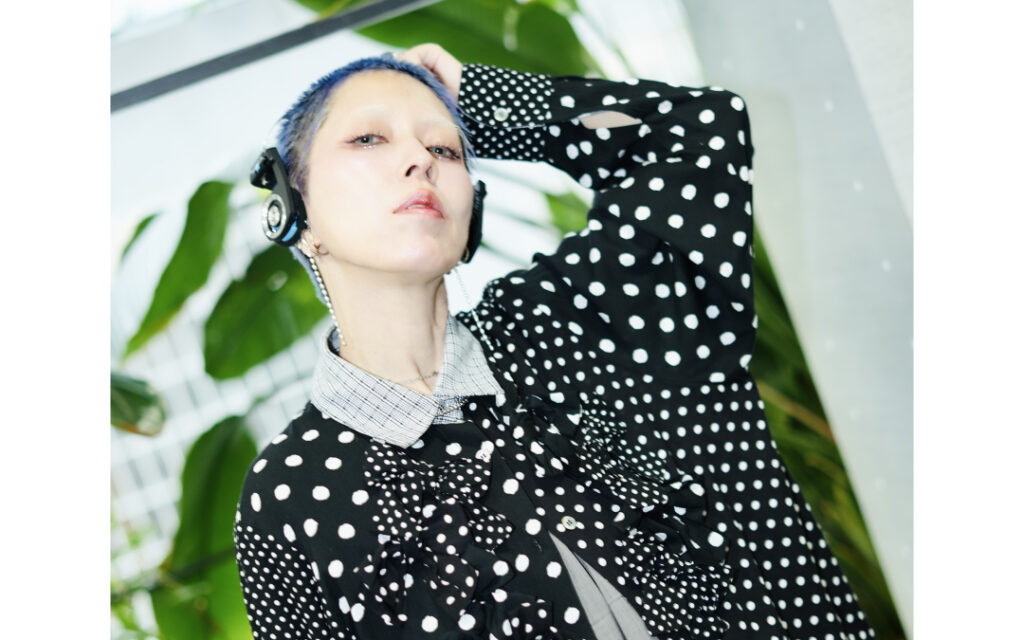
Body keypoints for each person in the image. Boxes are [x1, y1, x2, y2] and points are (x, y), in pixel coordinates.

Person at [233, 43, 877, 640]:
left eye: (447, 149)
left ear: (472, 212)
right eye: (369, 138)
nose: (420, 160)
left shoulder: (582, 319)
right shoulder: (288, 497)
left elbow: (696, 130)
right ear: (297, 209)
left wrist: (480, 98)